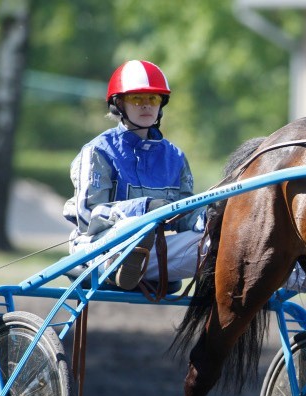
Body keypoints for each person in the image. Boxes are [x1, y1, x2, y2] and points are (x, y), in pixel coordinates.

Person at [63, 60, 205, 290]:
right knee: (132, 225)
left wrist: (208, 219)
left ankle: (283, 276)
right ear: (119, 104)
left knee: (216, 241)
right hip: (97, 250)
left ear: (161, 104)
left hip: (154, 254)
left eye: (153, 99)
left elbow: (185, 214)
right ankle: (125, 259)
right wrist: (145, 208)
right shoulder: (97, 151)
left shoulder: (176, 157)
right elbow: (88, 216)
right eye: (137, 98)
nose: (147, 106)